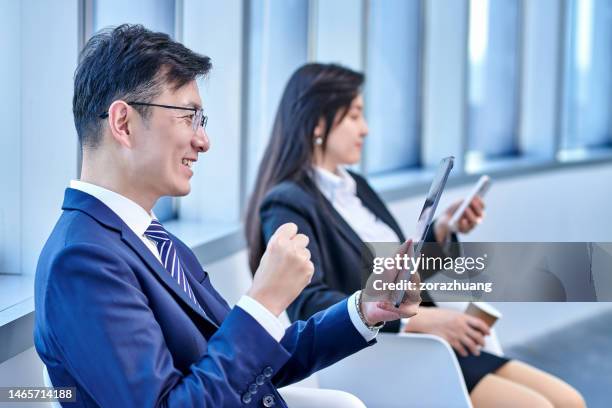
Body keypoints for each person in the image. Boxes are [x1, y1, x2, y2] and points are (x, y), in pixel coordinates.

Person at [33, 26, 420, 408]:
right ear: (123, 123)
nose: (204, 141)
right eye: (188, 117)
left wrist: (365, 309)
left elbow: (250, 361)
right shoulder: (82, 261)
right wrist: (263, 301)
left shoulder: (148, 237)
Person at [246, 63, 585, 408]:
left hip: (434, 340)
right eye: (354, 116)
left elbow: (401, 274)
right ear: (318, 122)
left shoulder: (356, 187)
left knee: (570, 401)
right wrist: (423, 319)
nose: (365, 129)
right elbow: (308, 305)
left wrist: (443, 229)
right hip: (390, 354)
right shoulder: (288, 202)